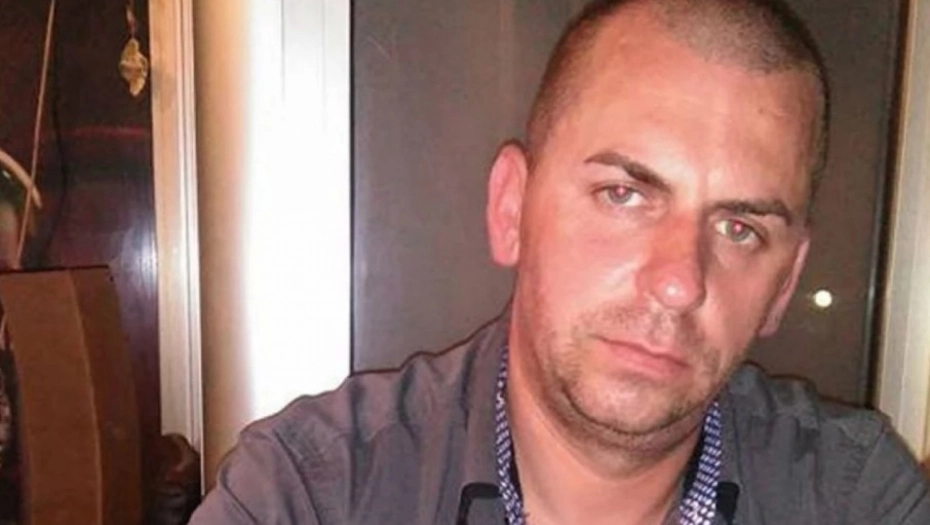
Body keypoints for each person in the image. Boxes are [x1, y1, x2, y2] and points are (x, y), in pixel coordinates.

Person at [189, 0, 930, 523]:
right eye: (623, 194)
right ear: (512, 208)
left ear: (785, 284)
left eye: (739, 228)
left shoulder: (854, 496)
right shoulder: (315, 492)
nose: (678, 281)